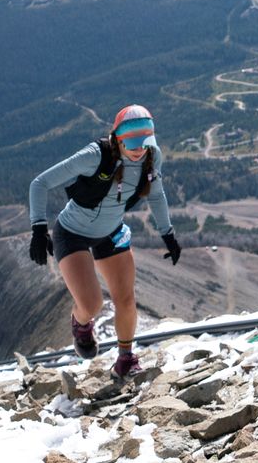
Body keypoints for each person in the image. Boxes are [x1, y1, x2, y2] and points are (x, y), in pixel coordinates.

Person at [27, 104, 181, 376]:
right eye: (132, 142)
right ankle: (81, 323)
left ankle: (126, 359)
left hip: (111, 232)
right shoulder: (94, 155)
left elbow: (156, 195)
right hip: (72, 233)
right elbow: (40, 183)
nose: (138, 149)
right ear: (117, 139)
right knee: (92, 305)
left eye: (145, 142)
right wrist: (39, 228)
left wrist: (168, 234)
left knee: (125, 298)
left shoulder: (151, 158)